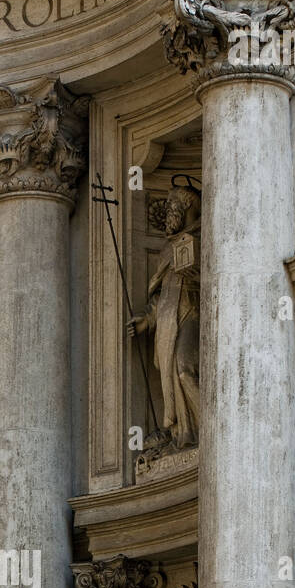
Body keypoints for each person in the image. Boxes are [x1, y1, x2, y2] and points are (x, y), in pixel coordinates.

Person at [128, 185, 201, 453]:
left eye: (173, 208)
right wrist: (147, 319)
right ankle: (184, 434)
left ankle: (211, 427)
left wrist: (197, 274)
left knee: (185, 370)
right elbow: (162, 295)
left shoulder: (205, 236)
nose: (169, 214)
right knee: (172, 374)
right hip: (169, 321)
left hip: (194, 314)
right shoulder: (168, 250)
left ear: (187, 208)